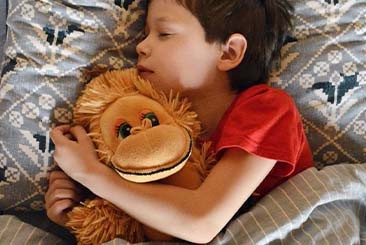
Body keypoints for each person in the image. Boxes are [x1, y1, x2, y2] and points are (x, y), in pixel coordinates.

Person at [45, 0, 313, 243]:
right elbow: (158, 227)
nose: (141, 46)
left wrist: (91, 174)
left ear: (229, 53)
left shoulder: (267, 108)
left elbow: (201, 221)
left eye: (164, 34)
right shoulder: (149, 124)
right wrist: (79, 211)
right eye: (145, 34)